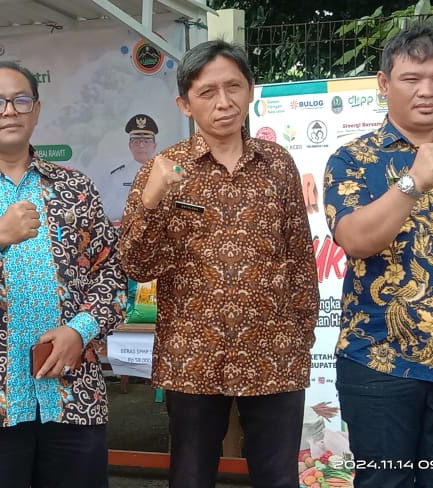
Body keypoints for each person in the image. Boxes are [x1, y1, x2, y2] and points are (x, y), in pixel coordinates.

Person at [118, 40, 319, 488]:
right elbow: (135, 264)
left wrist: (300, 336)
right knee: (190, 476)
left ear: (250, 91)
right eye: (207, 92)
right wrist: (152, 201)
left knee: (278, 476)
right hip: (191, 356)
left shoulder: (278, 164)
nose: (223, 102)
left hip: (274, 353)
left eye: (233, 87)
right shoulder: (162, 169)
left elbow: (300, 257)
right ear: (185, 104)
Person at [0, 61, 126, 488]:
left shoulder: (75, 187)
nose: (10, 111)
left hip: (73, 395)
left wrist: (80, 330)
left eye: (20, 100)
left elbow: (112, 273)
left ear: (36, 109)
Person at [323, 24, 433, 486]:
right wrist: (413, 182)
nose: (427, 91)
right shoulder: (352, 160)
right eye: (411, 79)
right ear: (384, 83)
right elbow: (355, 239)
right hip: (380, 362)